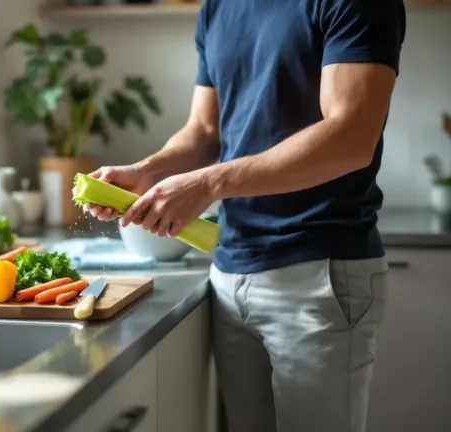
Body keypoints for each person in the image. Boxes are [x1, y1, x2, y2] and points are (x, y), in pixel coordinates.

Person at [83, 1, 406, 431]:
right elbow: (205, 130)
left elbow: (350, 135)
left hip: (318, 274)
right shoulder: (219, 7)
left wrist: (206, 184)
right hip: (231, 275)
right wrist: (146, 171)